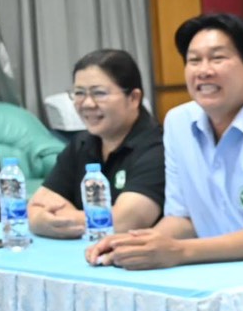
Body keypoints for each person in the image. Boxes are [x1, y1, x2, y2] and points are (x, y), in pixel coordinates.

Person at [85, 12, 243, 268]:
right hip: (221, 270)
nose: (203, 71)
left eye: (217, 58)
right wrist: (133, 245)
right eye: (194, 60)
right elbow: (182, 219)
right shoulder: (178, 123)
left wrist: (179, 251)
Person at [29, 49, 165, 238]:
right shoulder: (82, 143)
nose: (87, 104)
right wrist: (39, 220)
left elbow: (123, 222)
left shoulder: (158, 147)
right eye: (79, 93)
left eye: (99, 93)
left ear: (134, 98)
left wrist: (59, 218)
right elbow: (36, 206)